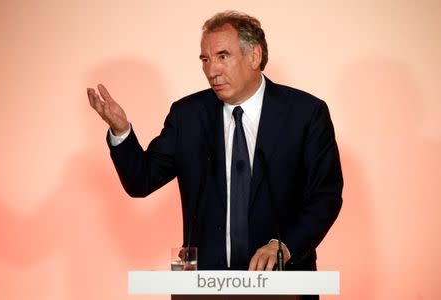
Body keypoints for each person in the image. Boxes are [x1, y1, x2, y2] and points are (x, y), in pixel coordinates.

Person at [88, 11, 342, 276]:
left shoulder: (305, 113)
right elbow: (140, 182)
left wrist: (286, 246)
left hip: (284, 278)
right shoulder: (188, 116)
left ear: (254, 56)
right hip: (203, 282)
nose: (211, 71)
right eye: (205, 60)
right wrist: (121, 131)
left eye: (223, 56)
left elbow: (325, 196)